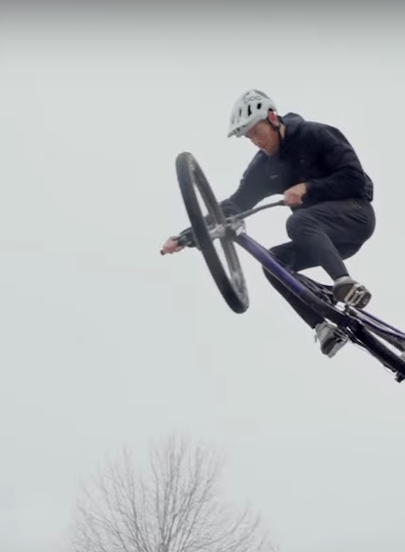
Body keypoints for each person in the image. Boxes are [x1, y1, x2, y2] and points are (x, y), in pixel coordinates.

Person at [161, 90, 376, 357]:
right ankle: (323, 328)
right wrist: (187, 236)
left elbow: (355, 179)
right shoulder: (264, 167)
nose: (254, 141)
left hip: (355, 216)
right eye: (248, 137)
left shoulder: (315, 134)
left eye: (255, 131)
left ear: (273, 118)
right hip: (323, 238)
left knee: (298, 222)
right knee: (273, 263)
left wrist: (308, 188)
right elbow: (234, 206)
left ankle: (344, 283)